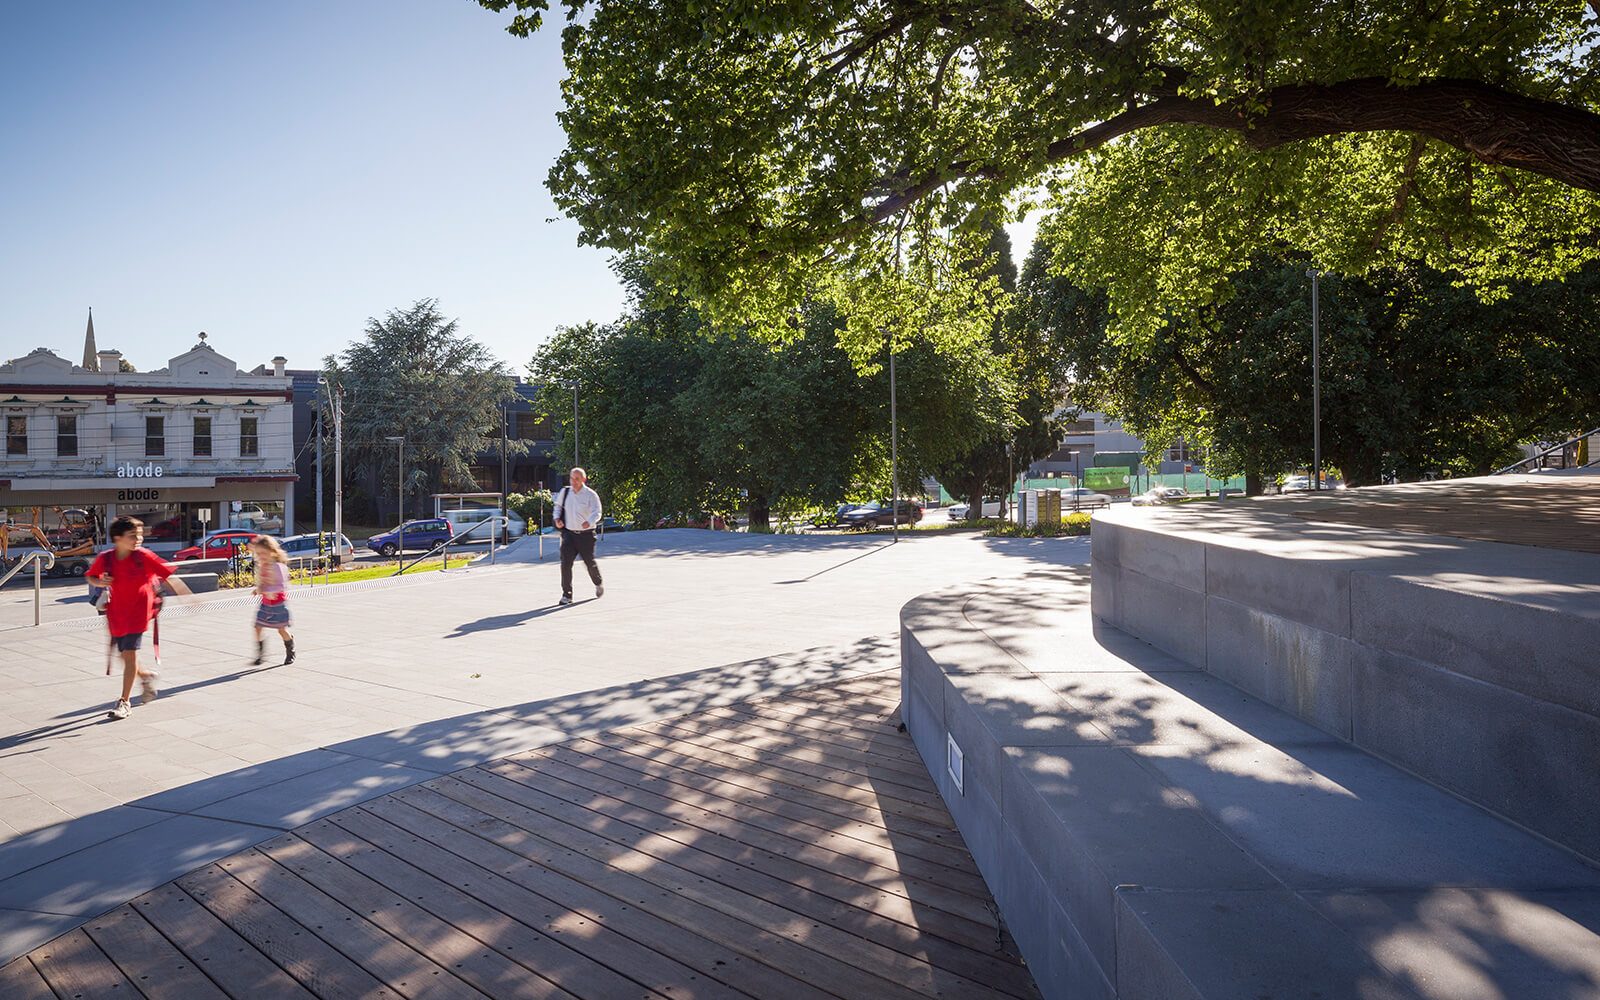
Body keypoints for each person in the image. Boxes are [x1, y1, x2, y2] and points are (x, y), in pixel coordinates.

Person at [85, 516, 192, 720]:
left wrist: (187, 596)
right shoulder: (106, 558)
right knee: (124, 656)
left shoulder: (143, 556)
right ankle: (146, 677)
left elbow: (169, 576)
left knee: (130, 654)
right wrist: (99, 582)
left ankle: (124, 702)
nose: (138, 539)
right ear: (117, 538)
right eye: (133, 536)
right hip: (116, 614)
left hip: (138, 614)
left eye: (140, 535)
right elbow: (91, 575)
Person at [553, 466, 604, 605]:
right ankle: (567, 595)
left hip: (586, 536)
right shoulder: (565, 492)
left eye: (577, 479)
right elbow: (557, 507)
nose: (573, 481)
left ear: (584, 480)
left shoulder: (590, 495)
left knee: (589, 562)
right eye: (571, 478)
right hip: (569, 534)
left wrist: (590, 521)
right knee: (565, 564)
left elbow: (597, 511)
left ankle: (598, 582)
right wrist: (557, 519)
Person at [249, 535, 296, 665]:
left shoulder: (278, 567)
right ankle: (260, 654)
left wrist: (270, 591)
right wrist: (258, 589)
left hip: (278, 604)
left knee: (281, 630)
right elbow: (263, 583)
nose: (261, 556)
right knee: (257, 627)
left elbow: (282, 585)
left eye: (263, 553)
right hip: (265, 604)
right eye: (258, 554)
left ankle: (290, 649)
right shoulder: (263, 566)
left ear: (272, 551)